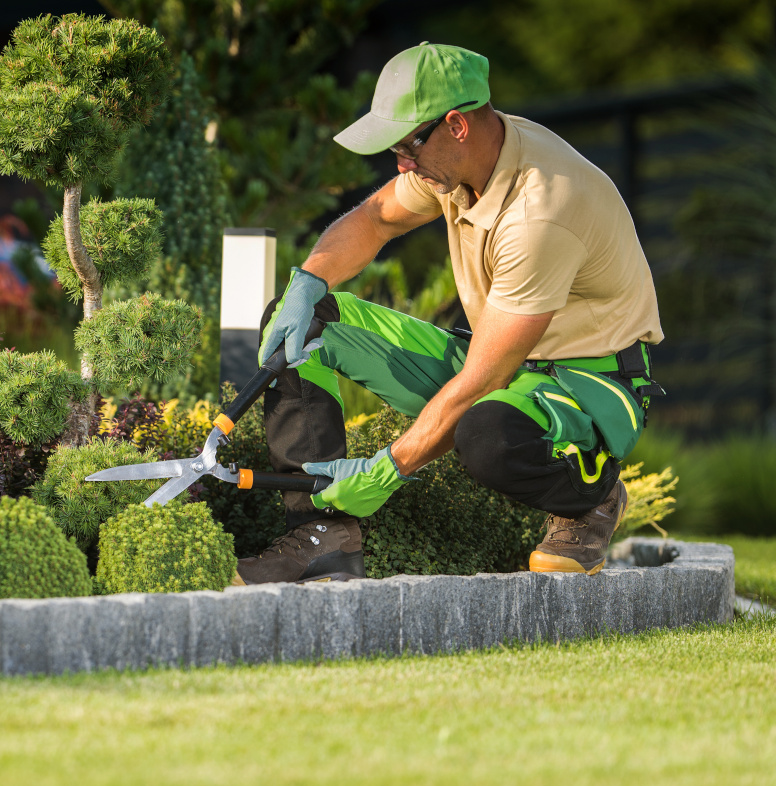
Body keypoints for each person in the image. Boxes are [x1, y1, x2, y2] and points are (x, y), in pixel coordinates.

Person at [235, 41, 664, 585]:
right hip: (499, 356)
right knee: (300, 324)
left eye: (408, 146)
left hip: (587, 383)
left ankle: (593, 496)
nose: (401, 164)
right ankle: (323, 536)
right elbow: (374, 220)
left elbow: (484, 380)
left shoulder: (542, 212)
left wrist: (387, 469)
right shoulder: (458, 164)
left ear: (457, 125)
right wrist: (307, 280)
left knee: (487, 434)